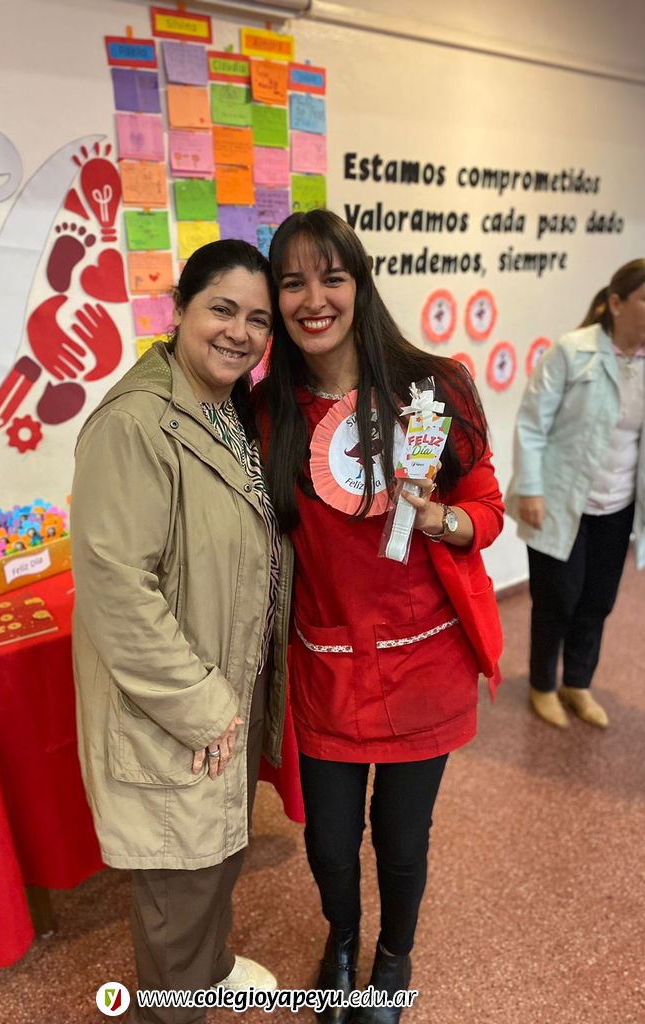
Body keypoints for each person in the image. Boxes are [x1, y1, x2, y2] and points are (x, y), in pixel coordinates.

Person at [255, 210, 504, 1024]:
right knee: (329, 840)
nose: (314, 300)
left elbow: (486, 507)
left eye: (332, 278)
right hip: (326, 664)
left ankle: (393, 963)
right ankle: (341, 940)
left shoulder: (433, 389)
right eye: (292, 283)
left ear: (360, 285)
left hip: (424, 661)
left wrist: (442, 519)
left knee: (401, 838)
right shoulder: (268, 412)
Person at [71, 240, 292, 1023]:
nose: (239, 332)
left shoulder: (228, 407)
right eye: (222, 310)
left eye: (258, 320)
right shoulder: (135, 424)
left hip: (227, 683)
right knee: (178, 879)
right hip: (178, 701)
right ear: (179, 310)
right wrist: (202, 705)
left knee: (217, 853)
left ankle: (211, 968)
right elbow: (115, 588)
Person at [507, 259, 645, 729]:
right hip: (560, 501)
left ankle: (577, 683)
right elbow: (532, 423)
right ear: (616, 303)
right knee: (557, 600)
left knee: (598, 601)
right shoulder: (572, 350)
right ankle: (543, 685)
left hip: (618, 504)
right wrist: (531, 488)